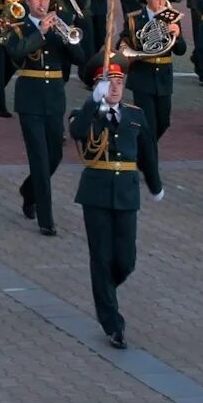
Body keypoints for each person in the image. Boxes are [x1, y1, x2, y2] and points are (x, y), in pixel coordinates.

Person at [70, 56, 162, 349]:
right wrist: (91, 104)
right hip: (96, 193)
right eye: (109, 83)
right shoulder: (85, 113)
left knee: (126, 259)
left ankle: (105, 291)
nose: (115, 88)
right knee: (101, 257)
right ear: (98, 86)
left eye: (120, 83)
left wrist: (155, 185)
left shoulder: (135, 115)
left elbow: (148, 154)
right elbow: (77, 132)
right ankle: (112, 323)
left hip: (126, 192)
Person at [3, 0, 87, 236]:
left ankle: (29, 191)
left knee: (55, 155)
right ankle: (46, 219)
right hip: (30, 98)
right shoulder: (17, 27)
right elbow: (15, 54)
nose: (42, 3)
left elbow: (80, 57)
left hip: (54, 99)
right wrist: (40, 33)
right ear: (27, 0)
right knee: (39, 158)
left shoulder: (61, 23)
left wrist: (65, 36)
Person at [119, 0, 186, 140]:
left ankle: (146, 149)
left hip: (163, 75)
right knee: (146, 122)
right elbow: (122, 44)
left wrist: (177, 36)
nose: (162, 2)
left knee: (164, 121)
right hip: (142, 74)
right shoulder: (134, 18)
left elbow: (181, 51)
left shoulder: (172, 18)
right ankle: (148, 153)